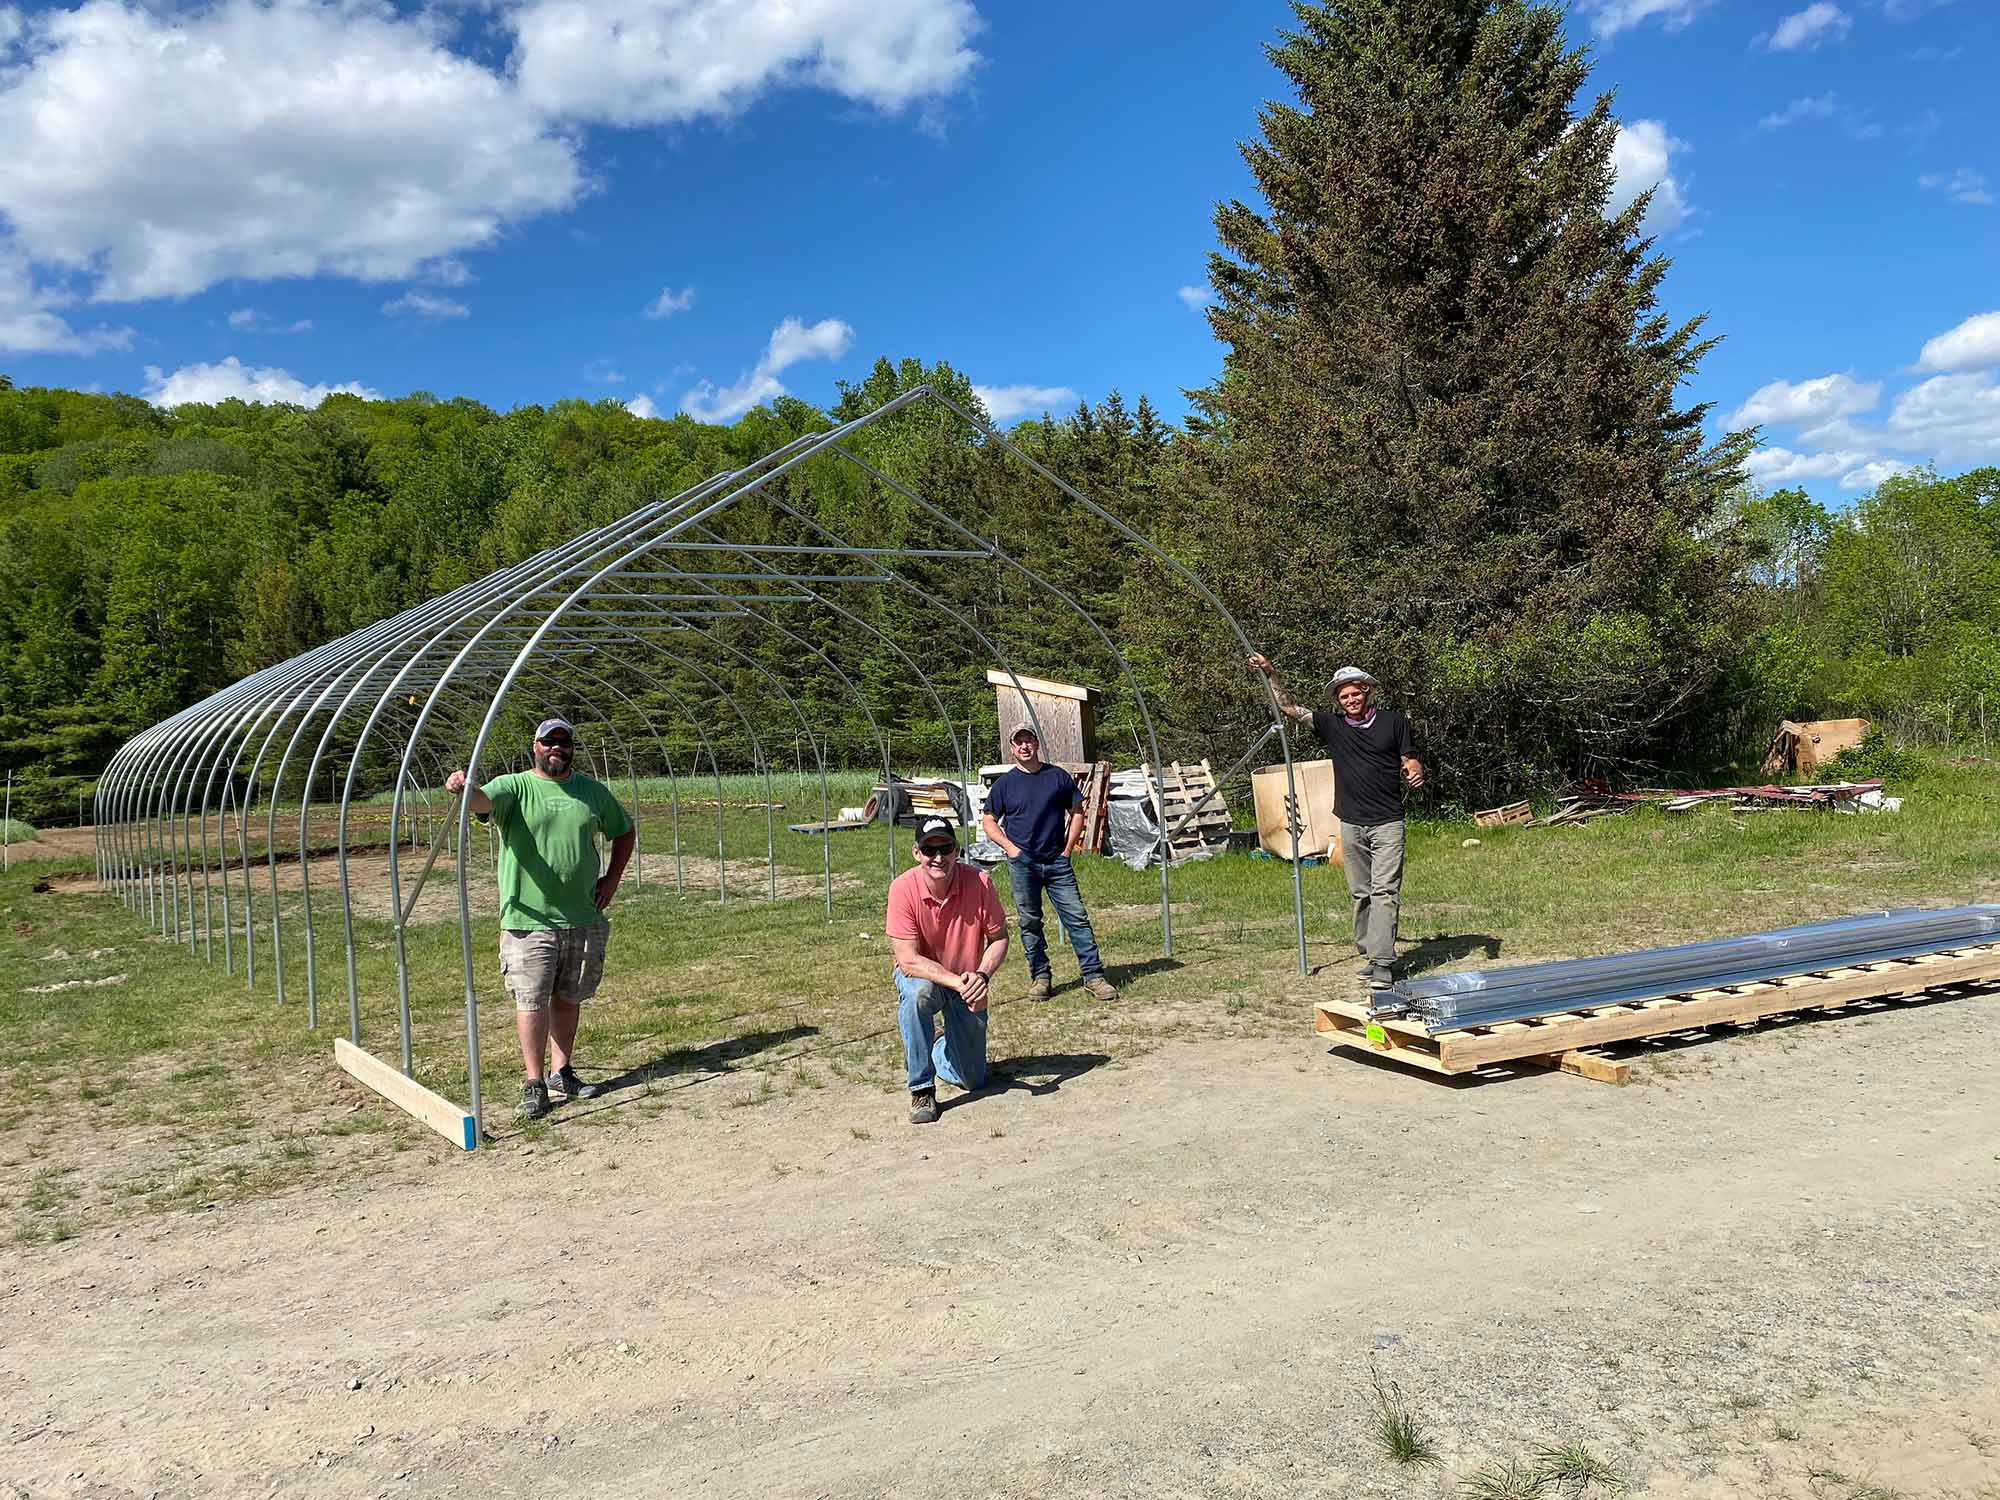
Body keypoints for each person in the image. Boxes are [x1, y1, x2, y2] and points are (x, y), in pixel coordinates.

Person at [445, 717, 635, 1120]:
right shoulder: (515, 786)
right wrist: (464, 789)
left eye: (563, 743)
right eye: (549, 742)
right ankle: (533, 1082)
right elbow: (483, 802)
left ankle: (560, 1072)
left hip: (582, 915)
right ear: (535, 746)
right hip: (528, 919)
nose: (557, 749)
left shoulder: (591, 793)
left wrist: (612, 880)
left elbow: (624, 830)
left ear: (571, 749)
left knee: (568, 997)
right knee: (532, 1000)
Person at [1246, 654, 1424, 988]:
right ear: (1338, 701)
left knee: (1385, 890)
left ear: (1367, 692)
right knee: (1361, 893)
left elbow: (1409, 759)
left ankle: (1383, 963)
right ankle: (1371, 952)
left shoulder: (1393, 722)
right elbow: (1289, 709)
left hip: (1388, 821)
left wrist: (1414, 770)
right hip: (1351, 823)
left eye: (1356, 693)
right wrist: (1270, 672)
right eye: (1344, 696)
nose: (1351, 700)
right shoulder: (1333, 726)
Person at [980, 724, 1118, 1002]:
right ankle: (1041, 977)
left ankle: (1093, 976)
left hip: (1057, 862)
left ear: (1036, 744)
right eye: (1019, 742)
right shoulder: (1005, 784)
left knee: (1077, 918)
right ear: (1012, 748)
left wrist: (1067, 849)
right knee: (1030, 922)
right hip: (1023, 864)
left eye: (1029, 741)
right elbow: (988, 820)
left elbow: (1077, 812)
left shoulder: (1057, 777)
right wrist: (1011, 850)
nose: (1024, 747)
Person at [887, 817, 1010, 1125]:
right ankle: (921, 1088)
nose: (938, 857)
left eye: (945, 848)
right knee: (917, 996)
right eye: (930, 850)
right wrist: (959, 982)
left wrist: (981, 976)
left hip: (968, 980)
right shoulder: (902, 889)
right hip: (927, 976)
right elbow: (908, 960)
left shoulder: (979, 882)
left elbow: (999, 938)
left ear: (957, 850)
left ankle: (935, 1045)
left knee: (974, 1081)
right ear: (917, 853)